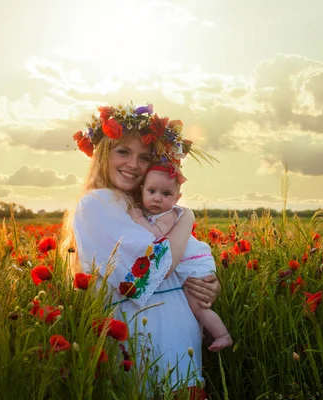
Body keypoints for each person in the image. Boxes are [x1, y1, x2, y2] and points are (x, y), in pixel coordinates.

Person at [63, 103, 221, 398]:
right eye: (123, 152)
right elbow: (148, 271)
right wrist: (187, 218)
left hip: (177, 339)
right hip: (144, 339)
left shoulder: (145, 209)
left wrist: (207, 283)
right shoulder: (97, 204)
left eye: (144, 157)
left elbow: (182, 261)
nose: (134, 165)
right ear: (103, 155)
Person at [129, 163, 233, 351]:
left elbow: (155, 235)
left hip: (195, 264)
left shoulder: (170, 215)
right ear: (142, 190)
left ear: (178, 198)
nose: (157, 199)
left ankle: (222, 335)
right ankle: (202, 330)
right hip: (191, 261)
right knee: (189, 300)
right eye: (152, 191)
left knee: (197, 304)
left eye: (166, 194)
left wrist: (138, 219)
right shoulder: (158, 213)